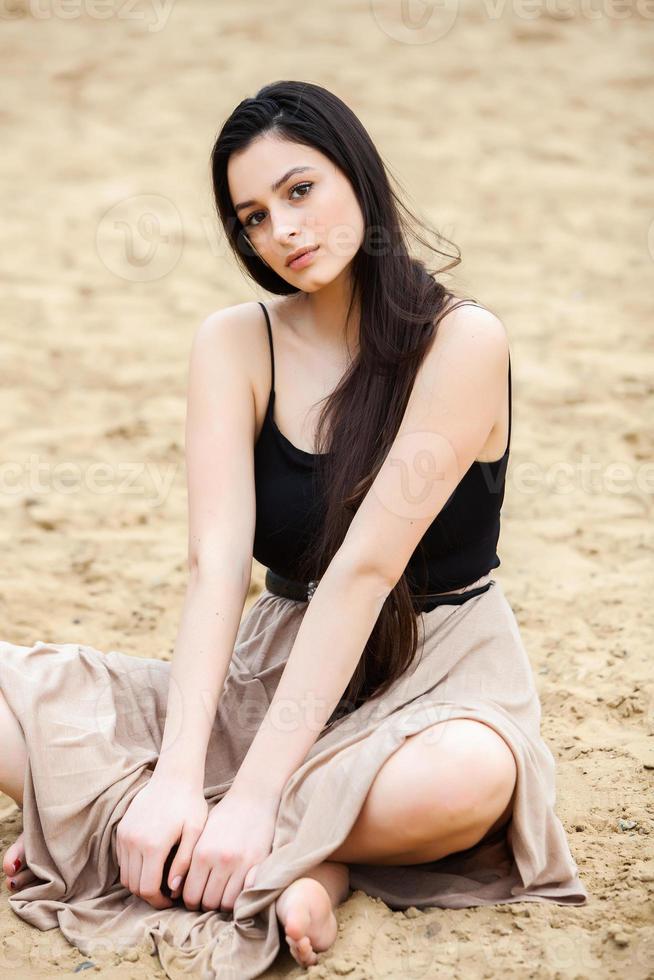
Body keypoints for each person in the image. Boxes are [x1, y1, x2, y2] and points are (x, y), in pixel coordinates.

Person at [0, 80, 588, 978]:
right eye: (253, 216)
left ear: (357, 175)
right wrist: (170, 779)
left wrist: (251, 796)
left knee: (470, 776)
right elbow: (214, 568)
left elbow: (363, 574)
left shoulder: (462, 341)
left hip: (432, 676)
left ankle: (263, 846)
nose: (283, 229)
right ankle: (251, 843)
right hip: (271, 673)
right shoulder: (234, 341)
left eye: (300, 190)